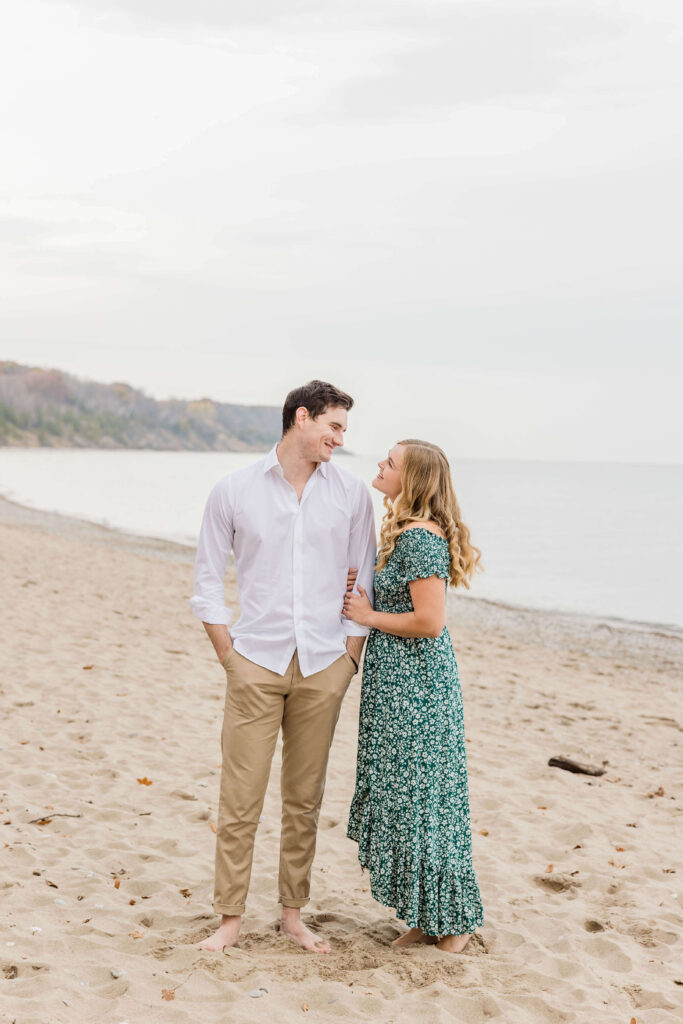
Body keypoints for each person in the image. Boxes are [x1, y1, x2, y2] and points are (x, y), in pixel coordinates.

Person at [190, 381, 376, 953]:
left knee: (304, 799)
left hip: (324, 664)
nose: (341, 439)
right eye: (334, 427)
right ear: (302, 417)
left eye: (343, 429)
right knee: (240, 796)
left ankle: (292, 915)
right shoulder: (234, 490)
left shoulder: (352, 494)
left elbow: (362, 578)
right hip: (255, 660)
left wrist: (349, 656)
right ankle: (229, 920)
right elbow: (205, 582)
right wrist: (229, 654)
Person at [343, 438, 484, 952]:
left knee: (425, 803)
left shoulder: (421, 539)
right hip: (400, 684)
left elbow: (429, 621)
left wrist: (369, 616)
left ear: (414, 479)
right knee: (411, 801)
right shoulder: (406, 534)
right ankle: (428, 916)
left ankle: (455, 923)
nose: (380, 465)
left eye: (391, 462)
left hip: (418, 692)